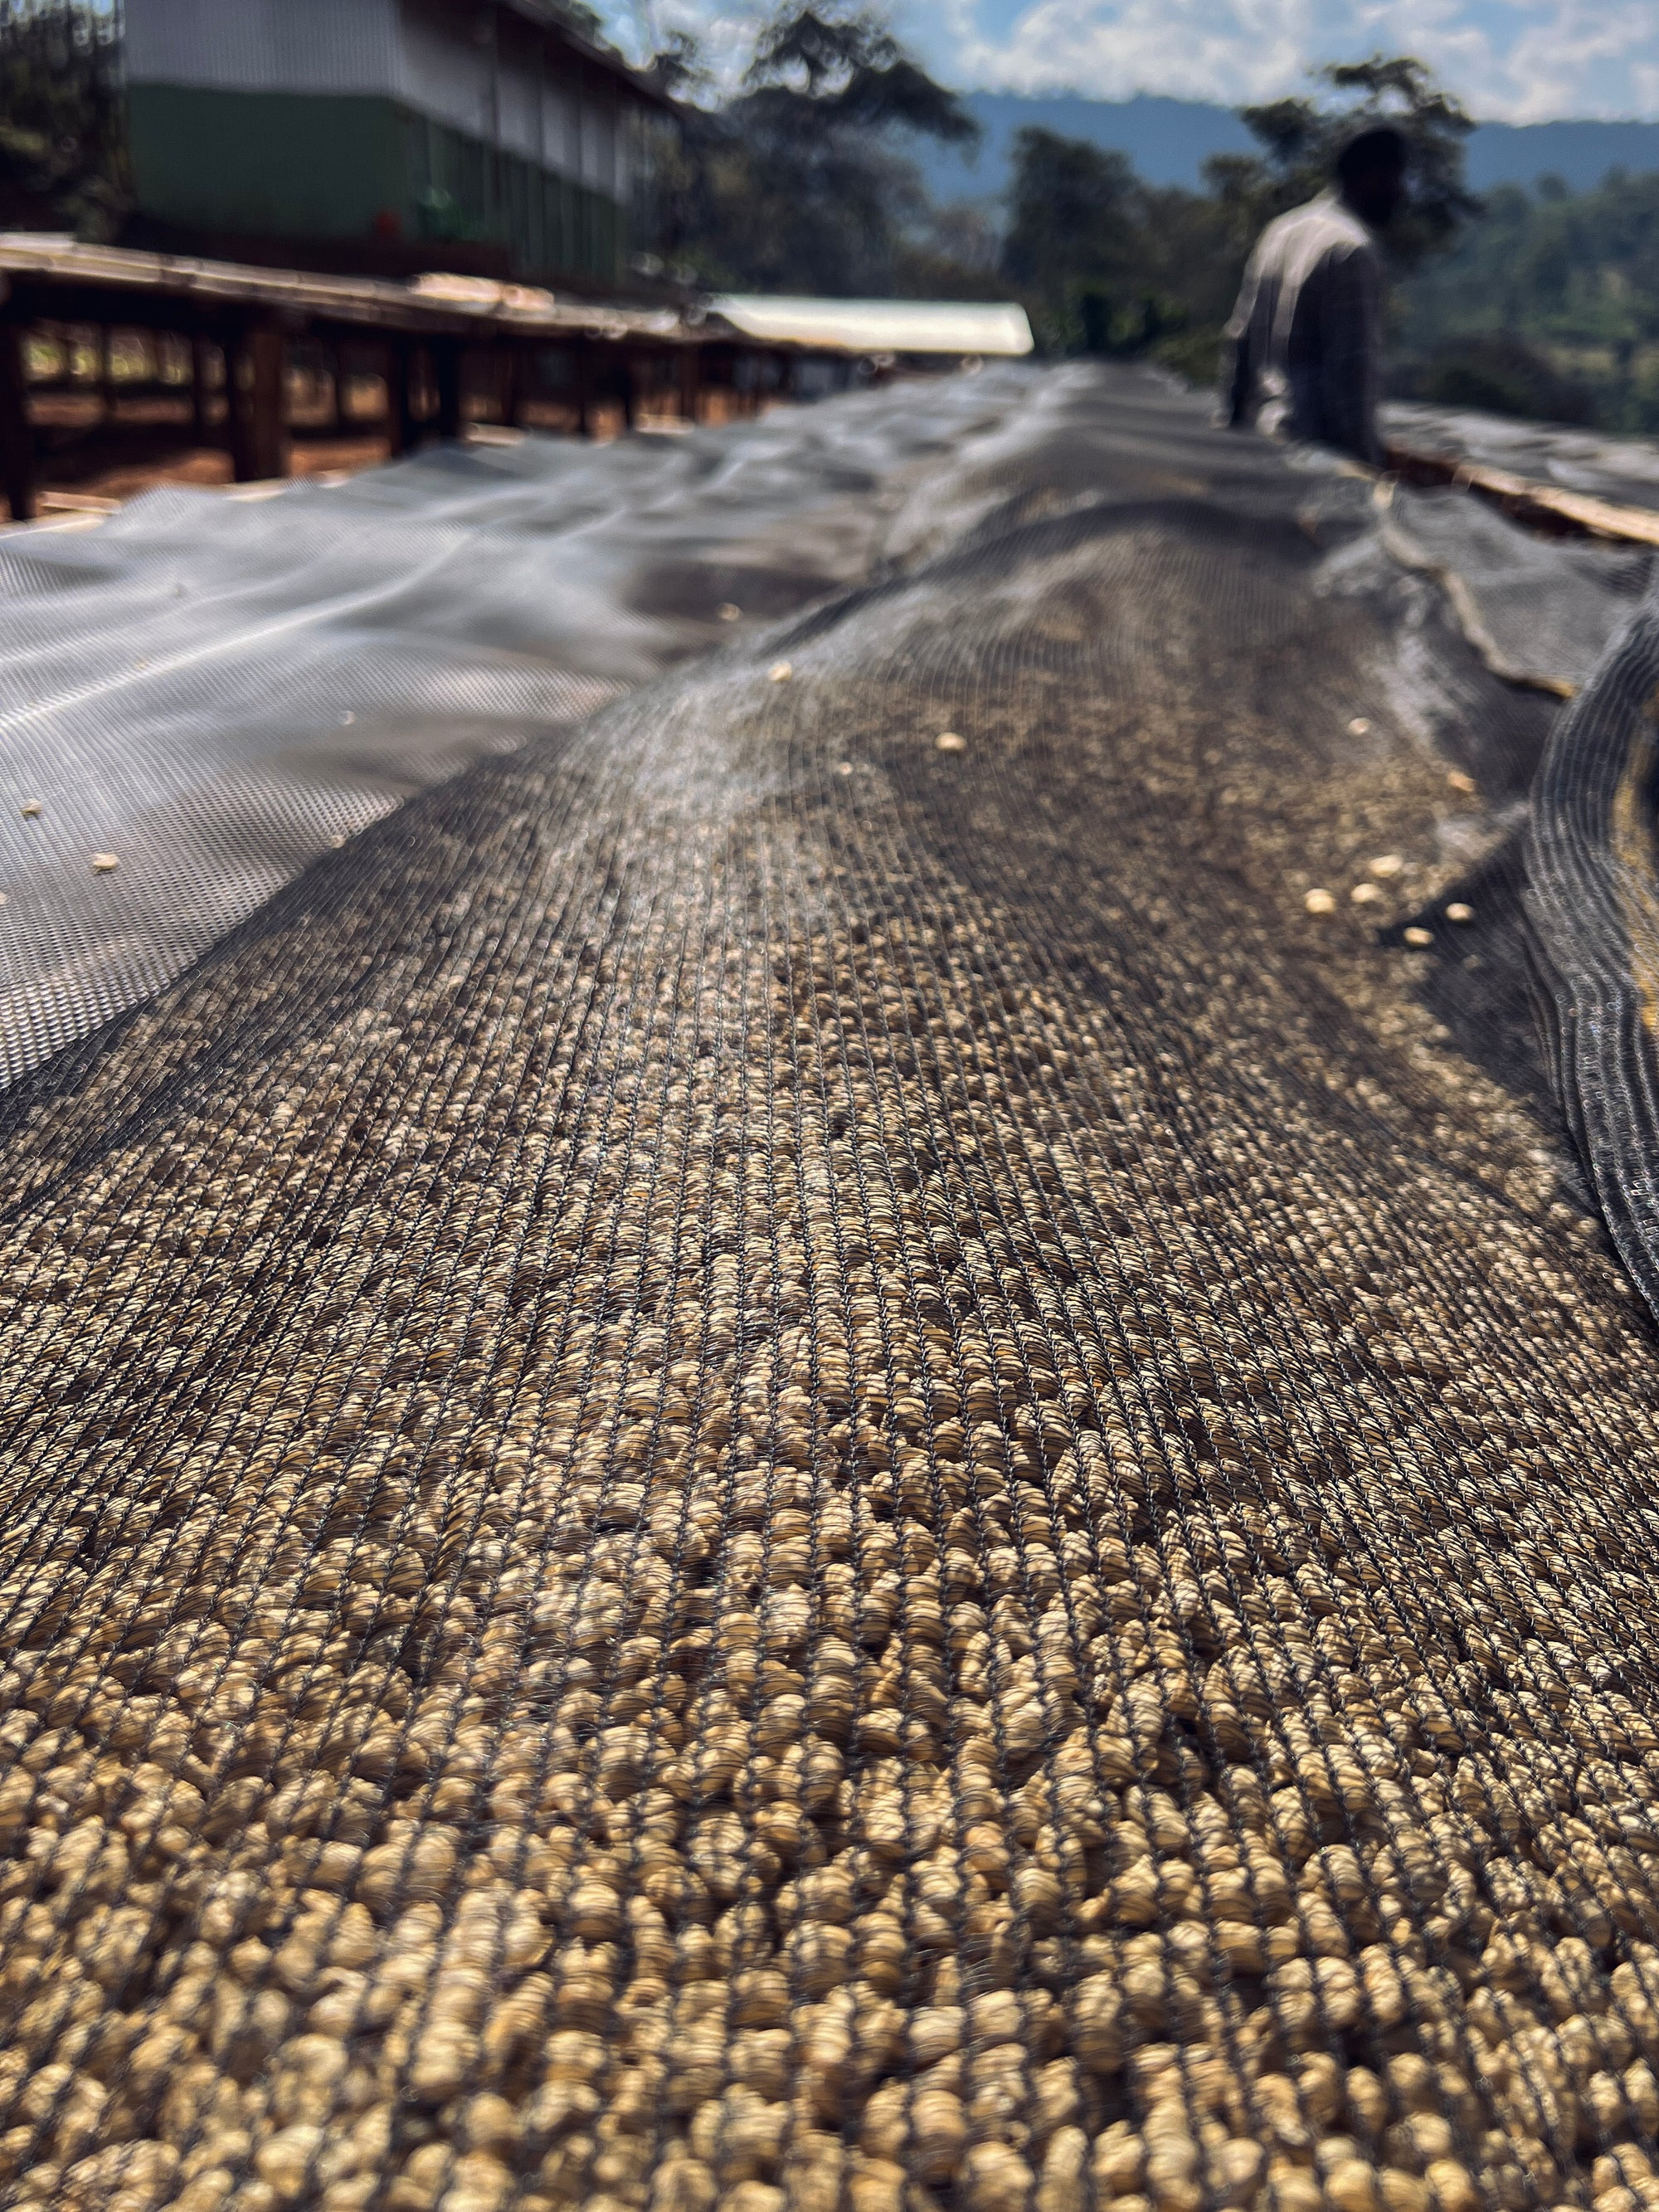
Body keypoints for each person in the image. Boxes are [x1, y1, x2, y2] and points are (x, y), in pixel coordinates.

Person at [1219, 124, 1408, 468]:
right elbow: (1353, 371)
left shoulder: (1279, 232)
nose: (1401, 193)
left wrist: (1230, 433)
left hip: (1262, 446)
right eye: (1395, 178)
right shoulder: (1351, 251)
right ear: (1368, 175)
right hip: (1313, 457)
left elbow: (1239, 340)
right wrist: (1365, 469)